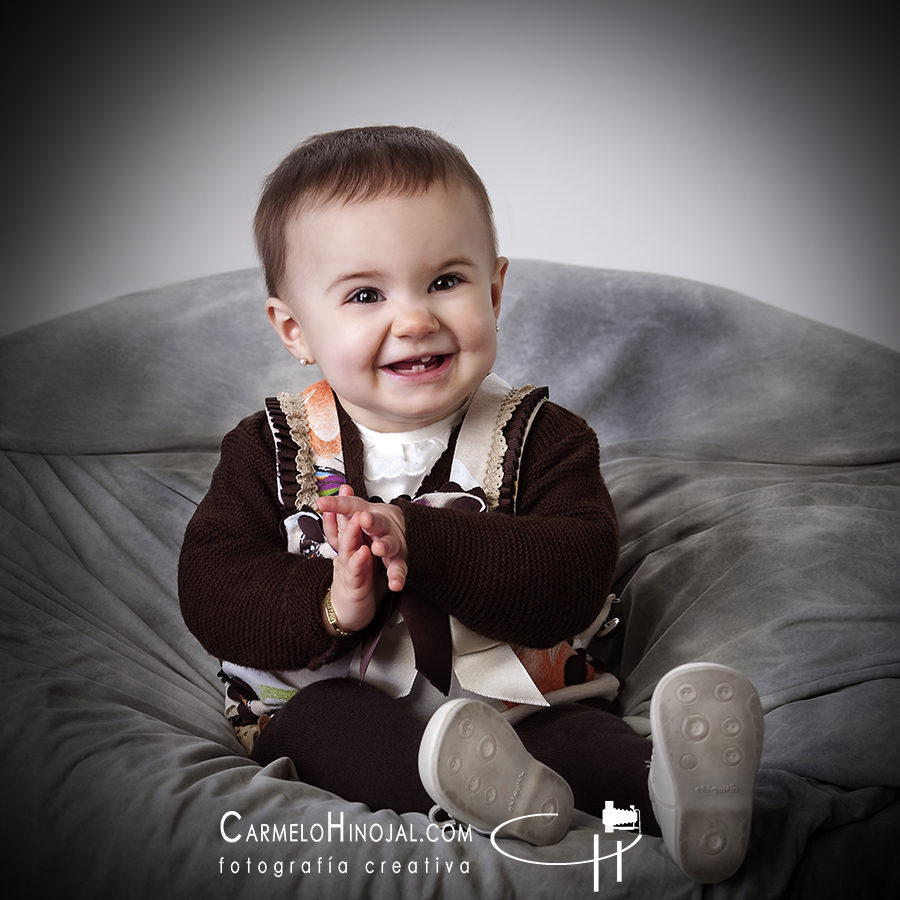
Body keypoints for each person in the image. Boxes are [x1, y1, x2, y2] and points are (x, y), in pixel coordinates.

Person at [178, 125, 762, 883]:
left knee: (590, 744)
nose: (416, 318)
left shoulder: (541, 436)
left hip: (522, 709)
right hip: (342, 701)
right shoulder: (272, 449)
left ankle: (678, 794)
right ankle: (473, 799)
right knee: (320, 728)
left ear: (493, 289)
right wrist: (331, 602)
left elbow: (574, 574)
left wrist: (421, 538)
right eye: (365, 294)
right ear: (296, 330)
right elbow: (211, 585)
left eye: (445, 281)